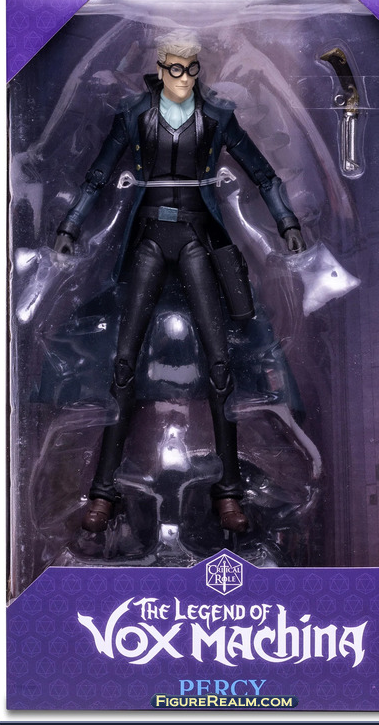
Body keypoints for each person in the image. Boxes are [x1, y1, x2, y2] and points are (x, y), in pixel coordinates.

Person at [55, 29, 305, 535]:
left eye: (192, 69)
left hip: (196, 235)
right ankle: (103, 491)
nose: (184, 78)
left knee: (220, 363)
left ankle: (228, 490)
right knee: (123, 363)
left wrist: (286, 222)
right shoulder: (133, 114)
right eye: (175, 68)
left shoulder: (216, 116)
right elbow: (97, 175)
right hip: (148, 236)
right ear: (160, 66)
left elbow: (263, 173)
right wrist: (70, 226)